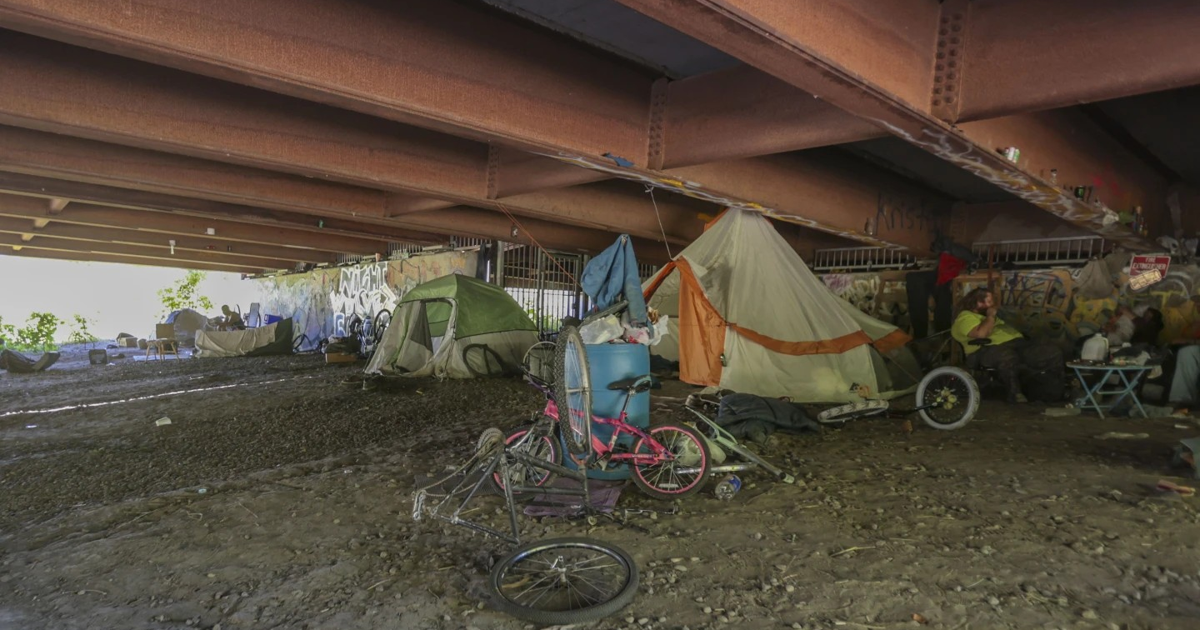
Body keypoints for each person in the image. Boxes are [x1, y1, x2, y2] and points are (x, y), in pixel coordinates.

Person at [951, 287, 1065, 404]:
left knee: (1052, 352)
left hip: (1017, 345)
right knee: (1007, 356)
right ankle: (1015, 393)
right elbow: (981, 334)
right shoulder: (965, 317)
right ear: (978, 302)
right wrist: (990, 316)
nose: (993, 305)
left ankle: (1054, 393)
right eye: (989, 302)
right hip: (985, 350)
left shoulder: (996, 317)